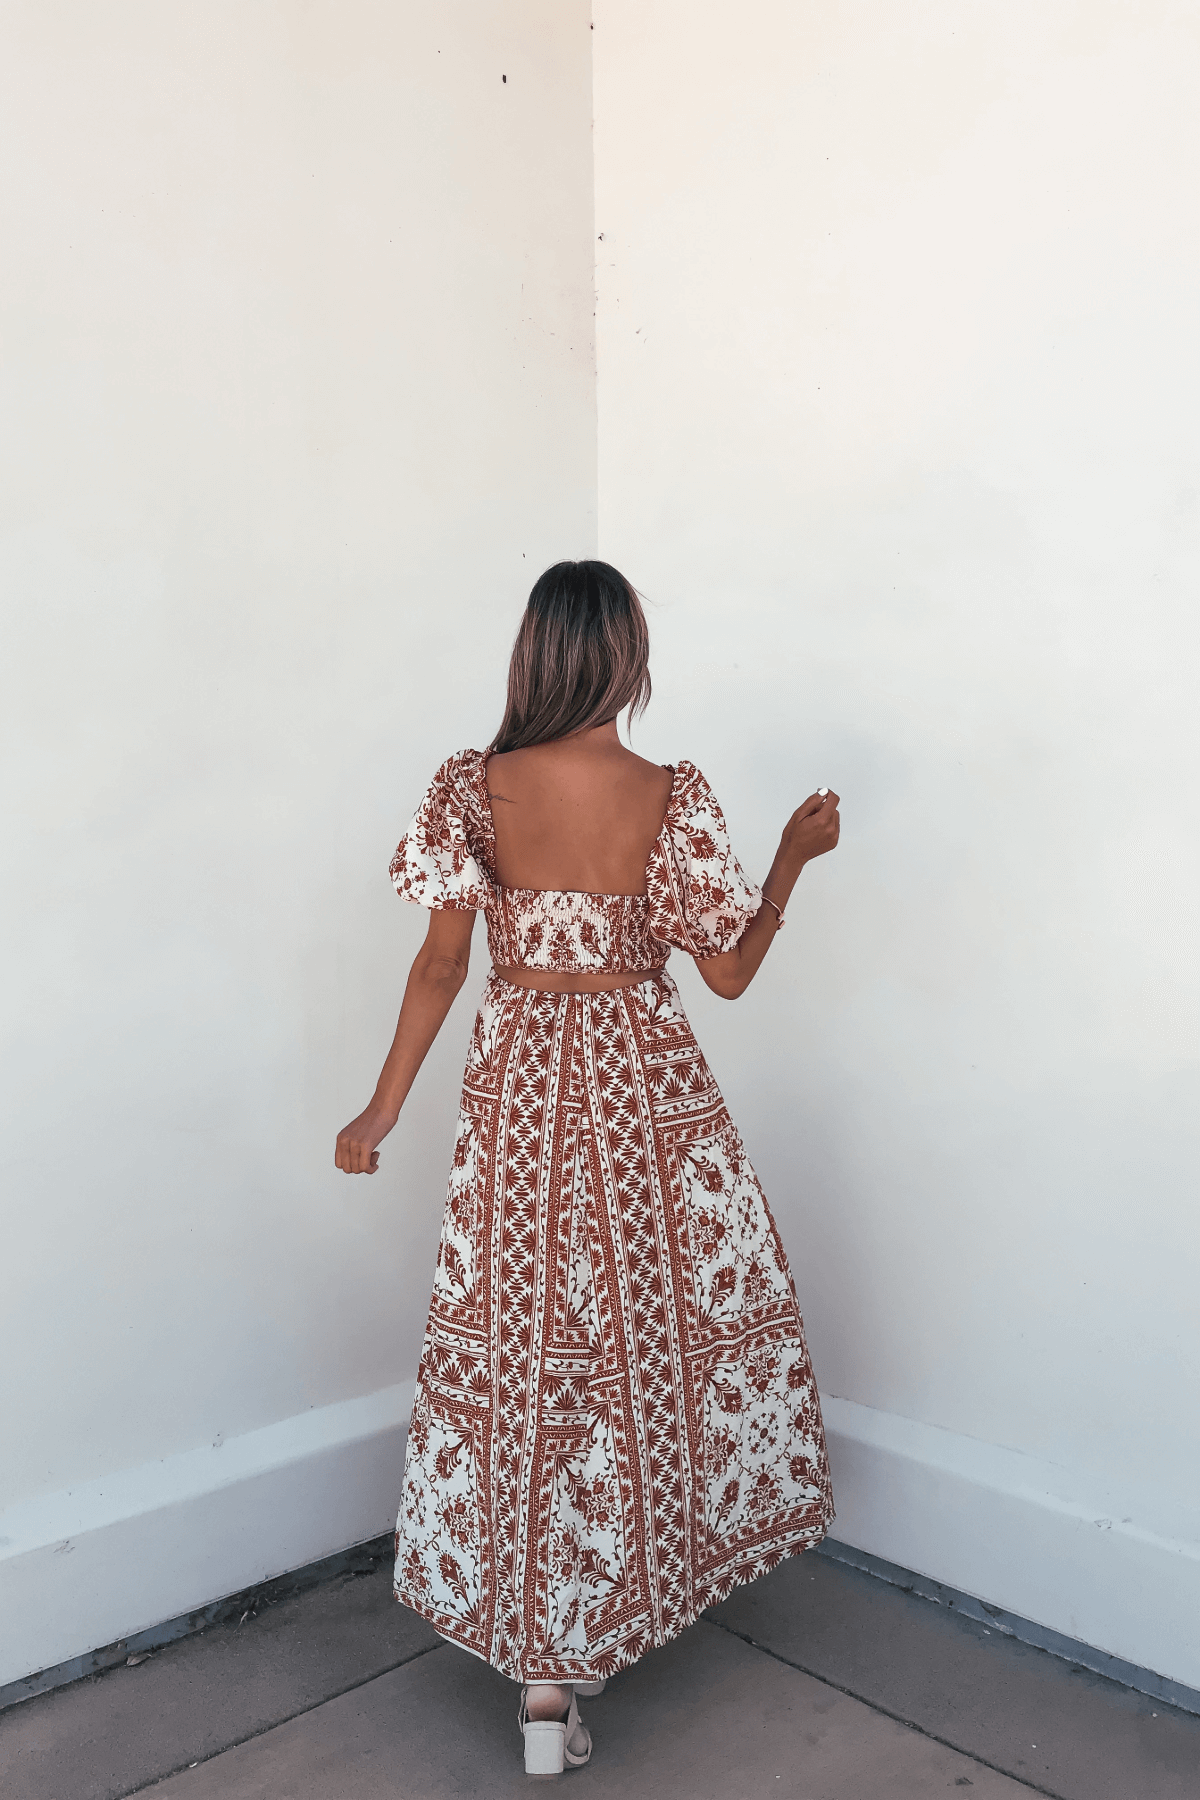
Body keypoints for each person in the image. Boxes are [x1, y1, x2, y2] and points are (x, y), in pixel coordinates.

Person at [335, 561, 840, 1776]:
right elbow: (727, 976)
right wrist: (790, 861)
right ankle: (604, 1612)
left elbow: (442, 966)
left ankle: (541, 1681)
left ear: (535, 654)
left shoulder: (472, 787)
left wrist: (381, 1107)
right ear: (626, 656)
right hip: (645, 1096)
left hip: (518, 1094)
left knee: (521, 1360)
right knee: (638, 1352)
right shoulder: (670, 793)